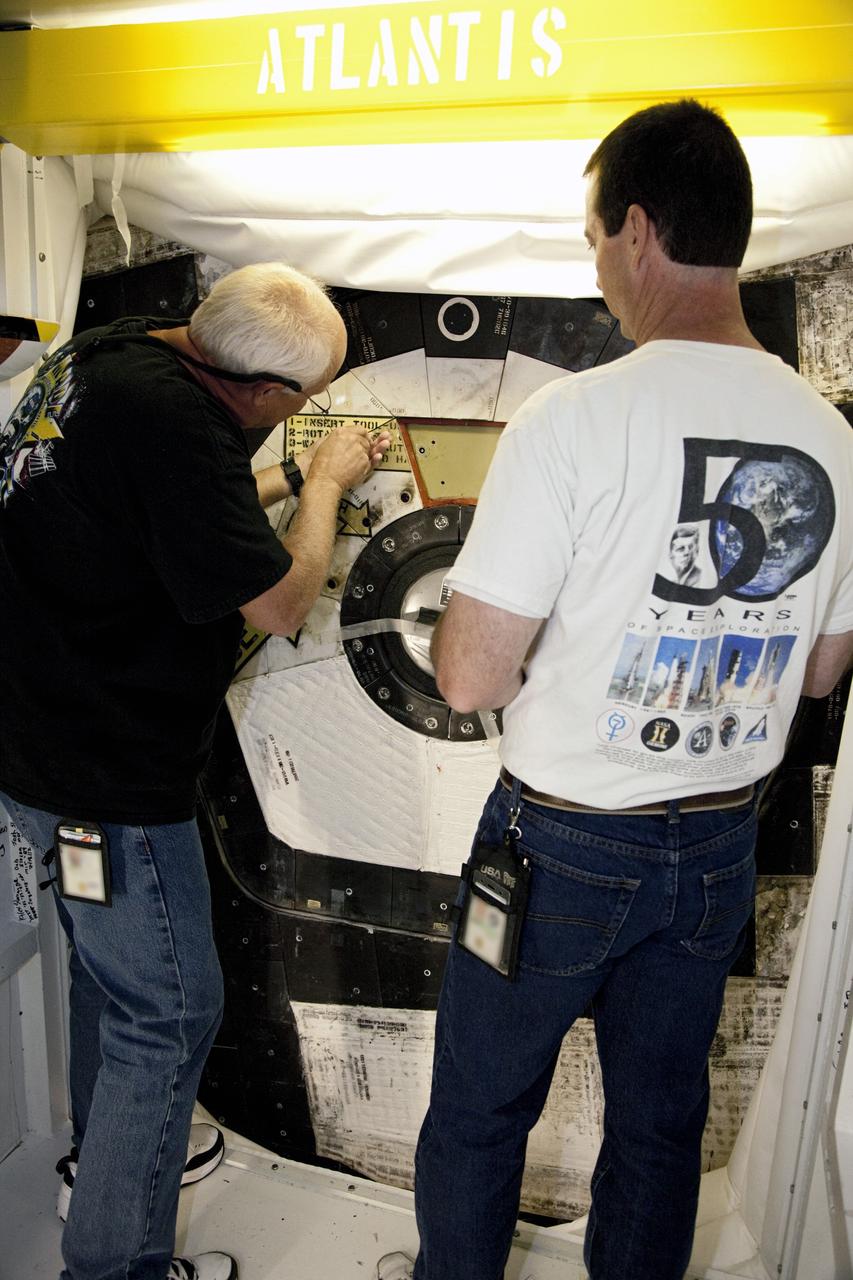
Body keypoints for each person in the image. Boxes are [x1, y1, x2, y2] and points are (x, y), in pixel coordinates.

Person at [379, 100, 853, 1280]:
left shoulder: (575, 418)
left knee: (482, 1113)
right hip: (717, 845)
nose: (597, 271)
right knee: (658, 1124)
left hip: (564, 845)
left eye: (594, 240)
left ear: (637, 229)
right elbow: (823, 669)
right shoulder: (831, 438)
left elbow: (474, 669)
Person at [0, 262, 389, 1280]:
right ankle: (114, 1260)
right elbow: (278, 599)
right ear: (259, 391)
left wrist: (281, 479)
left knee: (106, 971)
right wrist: (333, 486)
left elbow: (157, 510)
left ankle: (104, 1153)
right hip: (110, 781)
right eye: (300, 405)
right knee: (171, 1010)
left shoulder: (111, 351)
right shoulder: (175, 422)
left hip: (38, 753)